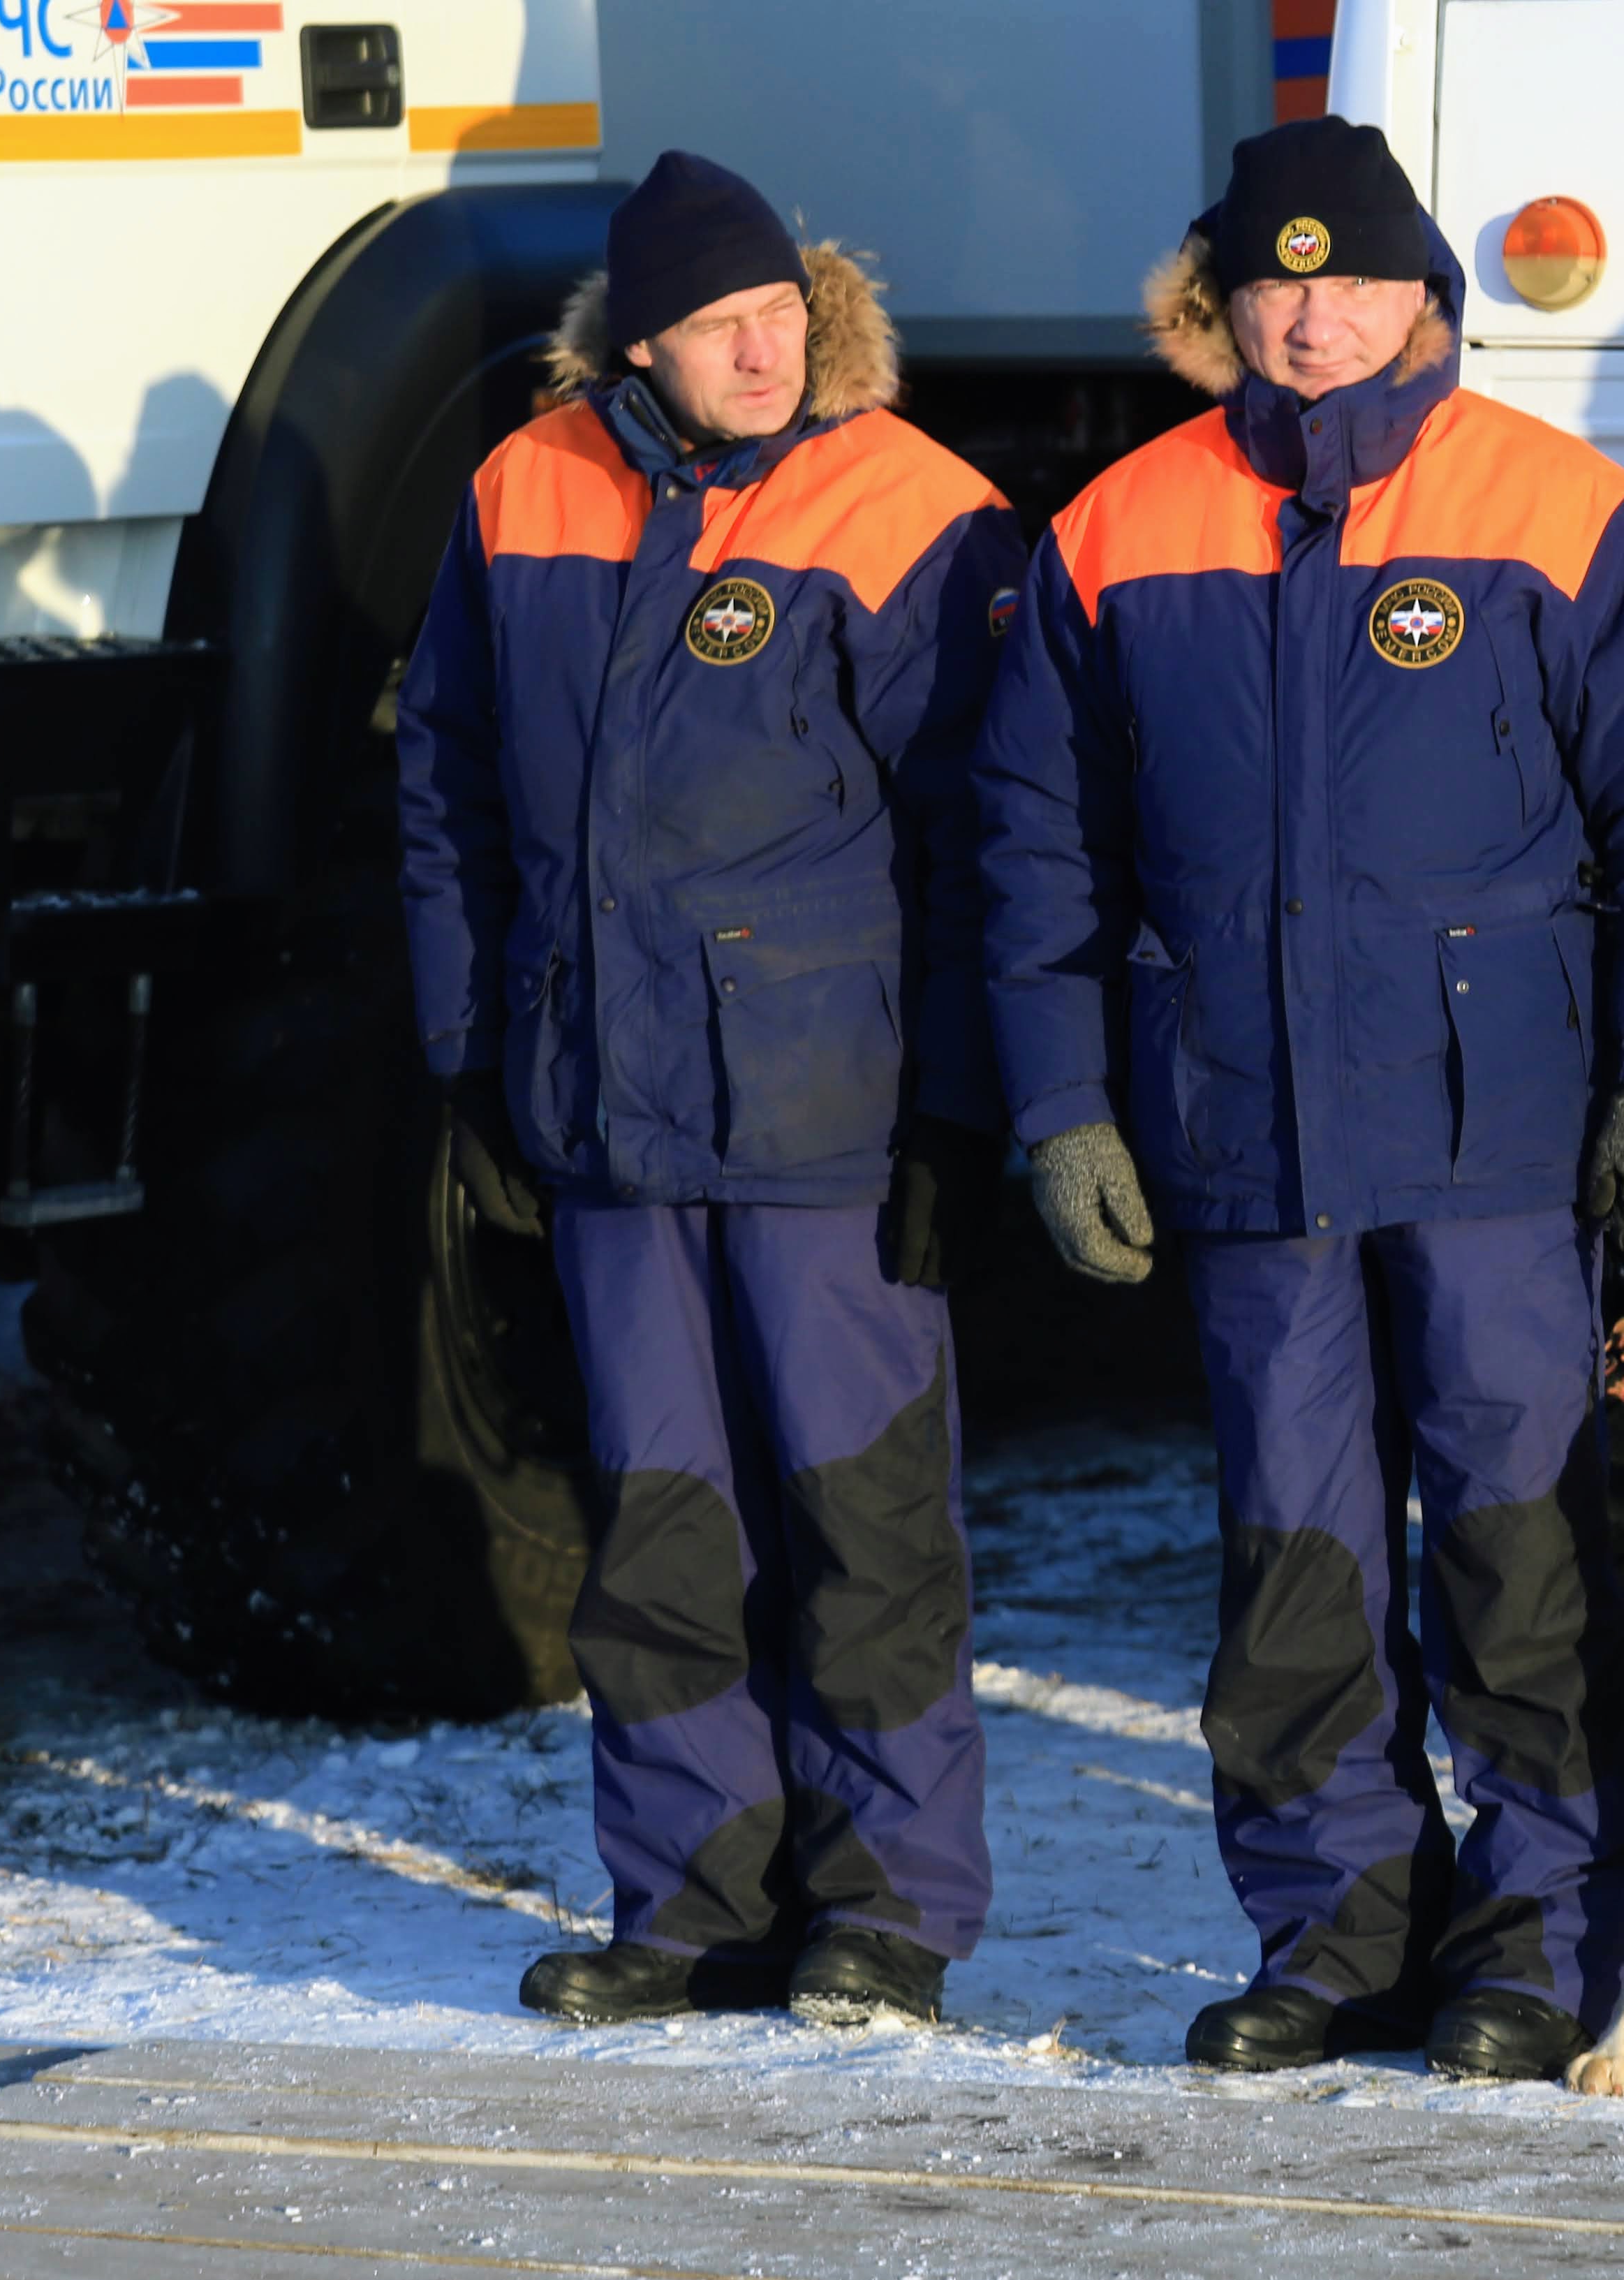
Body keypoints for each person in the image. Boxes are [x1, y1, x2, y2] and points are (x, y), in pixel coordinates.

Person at [971, 119, 1624, 2083]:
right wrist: (1063, 1102)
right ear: (1221, 305)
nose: (1310, 318)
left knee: (1517, 1541)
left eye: (1350, 282)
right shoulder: (1117, 529)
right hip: (1245, 1139)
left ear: (1426, 294)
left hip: (1494, 1136)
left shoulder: (1564, 509)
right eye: (1272, 283)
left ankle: (1536, 1939)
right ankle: (1332, 1931)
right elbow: (1035, 843)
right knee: (1292, 1551)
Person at [397, 150, 1026, 2029]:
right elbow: (446, 786)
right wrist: (470, 1061)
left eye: (780, 316)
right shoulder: (524, 486)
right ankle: (691, 1903)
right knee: (661, 1519)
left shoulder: (914, 506)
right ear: (640, 345)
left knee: (862, 1519)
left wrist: (962, 1108)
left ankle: (885, 1912)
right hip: (607, 1105)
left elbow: (989, 833)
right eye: (718, 326)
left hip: (831, 1116)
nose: (763, 353)